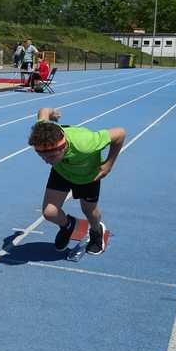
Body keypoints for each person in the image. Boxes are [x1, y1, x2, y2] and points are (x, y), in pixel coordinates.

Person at [27, 108, 126, 255]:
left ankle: (96, 230)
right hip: (61, 172)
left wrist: (108, 165)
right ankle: (68, 225)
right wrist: (52, 112)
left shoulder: (86, 143)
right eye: (42, 157)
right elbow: (43, 111)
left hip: (88, 176)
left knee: (89, 211)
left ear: (64, 147)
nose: (47, 162)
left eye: (51, 156)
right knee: (49, 213)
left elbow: (119, 133)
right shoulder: (44, 131)